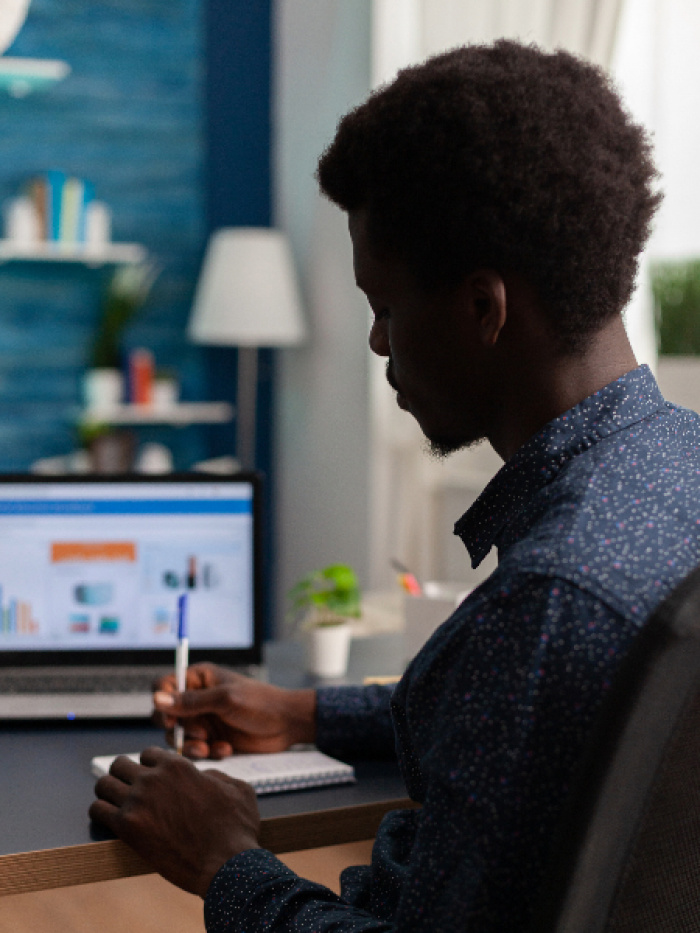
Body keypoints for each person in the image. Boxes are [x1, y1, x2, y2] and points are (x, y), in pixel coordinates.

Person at [90, 40, 700, 931]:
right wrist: (303, 711)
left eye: (384, 305)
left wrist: (226, 860)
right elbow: (523, 715)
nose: (378, 343)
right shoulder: (677, 467)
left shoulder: (549, 598)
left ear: (483, 309)